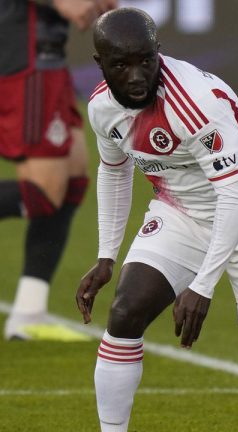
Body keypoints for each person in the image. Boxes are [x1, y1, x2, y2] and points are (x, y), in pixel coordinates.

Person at [75, 8, 238, 432]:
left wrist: (202, 285)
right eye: (120, 65)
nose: (135, 76)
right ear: (100, 64)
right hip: (182, 210)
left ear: (158, 54)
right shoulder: (102, 109)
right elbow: (114, 170)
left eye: (146, 61)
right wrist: (106, 256)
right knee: (125, 311)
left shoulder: (198, 101)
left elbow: (234, 194)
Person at [1, 0, 116, 340]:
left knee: (72, 182)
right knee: (44, 191)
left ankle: (28, 312)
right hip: (22, 56)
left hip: (47, 58)